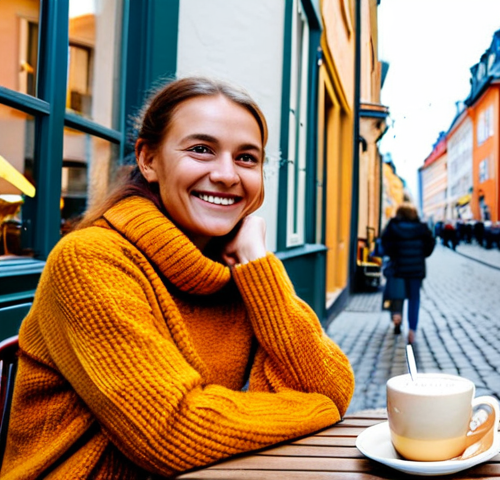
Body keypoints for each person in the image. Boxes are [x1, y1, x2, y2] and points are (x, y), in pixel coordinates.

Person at [0, 77, 355, 479]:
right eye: (201, 150)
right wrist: (317, 408)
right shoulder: (90, 260)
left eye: (247, 158)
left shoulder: (238, 270)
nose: (226, 174)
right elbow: (172, 432)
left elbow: (331, 381)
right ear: (149, 160)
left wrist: (259, 264)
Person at [380, 203, 435, 344]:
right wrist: (421, 254)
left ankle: (397, 320)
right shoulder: (421, 227)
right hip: (416, 270)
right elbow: (430, 244)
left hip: (398, 267)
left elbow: (385, 244)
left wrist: (394, 254)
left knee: (397, 296)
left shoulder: (393, 226)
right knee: (414, 298)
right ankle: (412, 330)